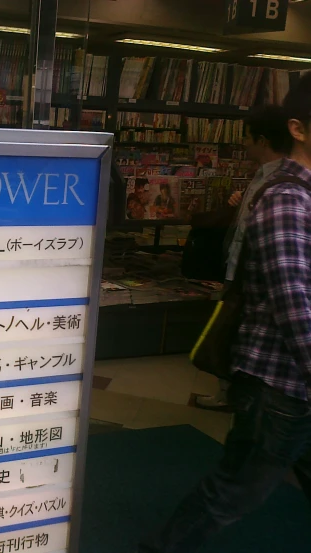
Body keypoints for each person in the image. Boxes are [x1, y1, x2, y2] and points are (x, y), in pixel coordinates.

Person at [138, 75, 311, 553]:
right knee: (233, 492)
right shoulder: (287, 199)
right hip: (282, 383)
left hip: (295, 383)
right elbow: (292, 298)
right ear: (298, 129)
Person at [196, 104, 292, 410]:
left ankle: (234, 394)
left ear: (262, 140)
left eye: (247, 136)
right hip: (236, 267)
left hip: (249, 275)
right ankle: (228, 392)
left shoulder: (281, 183)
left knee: (233, 330)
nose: (243, 143)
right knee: (230, 328)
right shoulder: (262, 175)